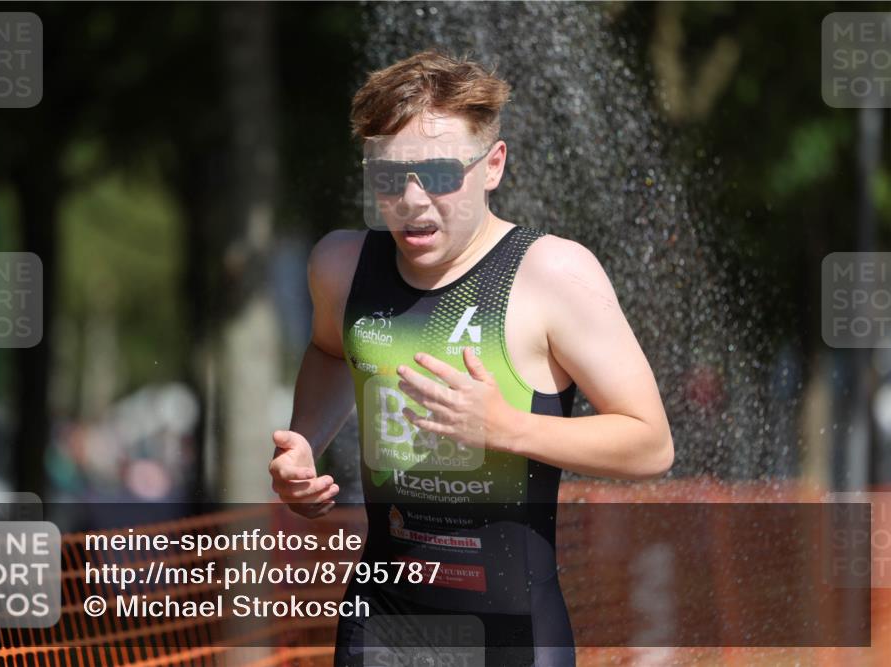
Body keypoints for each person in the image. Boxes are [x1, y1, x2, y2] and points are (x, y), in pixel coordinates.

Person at [268, 50, 673, 667]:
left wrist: (507, 428)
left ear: (493, 165)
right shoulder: (341, 266)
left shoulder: (552, 274)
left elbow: (650, 445)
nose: (412, 200)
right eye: (388, 177)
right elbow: (330, 351)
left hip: (510, 636)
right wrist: (304, 443)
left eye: (439, 174)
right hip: (382, 626)